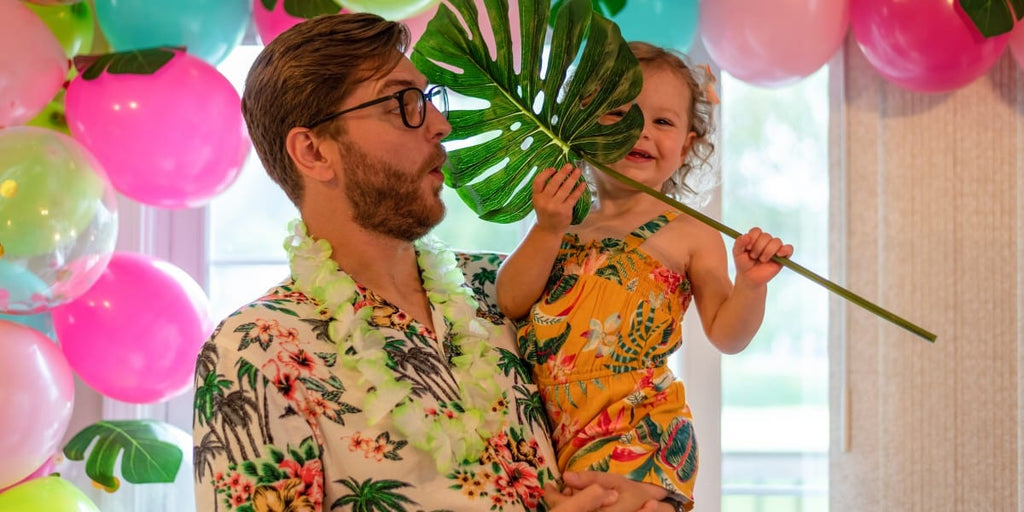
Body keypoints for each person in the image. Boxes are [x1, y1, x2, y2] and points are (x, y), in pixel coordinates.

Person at [191, 13, 676, 512]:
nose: (441, 124)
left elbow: (632, 399)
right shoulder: (255, 351)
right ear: (313, 151)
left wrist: (655, 499)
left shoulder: (510, 286)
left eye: (428, 99)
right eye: (403, 103)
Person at [495, 42, 795, 511]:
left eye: (662, 121)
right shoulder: (562, 224)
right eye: (618, 115)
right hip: (557, 432)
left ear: (687, 145)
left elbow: (728, 335)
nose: (641, 131)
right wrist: (546, 227)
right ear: (584, 126)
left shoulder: (690, 233)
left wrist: (751, 285)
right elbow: (510, 301)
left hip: (640, 426)